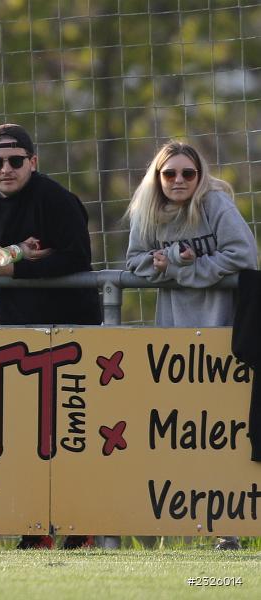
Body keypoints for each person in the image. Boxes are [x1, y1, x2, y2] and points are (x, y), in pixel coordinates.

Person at [0, 124, 100, 549]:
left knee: (73, 430)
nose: (6, 169)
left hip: (74, 330)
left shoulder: (56, 199)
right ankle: (34, 530)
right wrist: (17, 254)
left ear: (33, 163)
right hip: (17, 332)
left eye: (16, 161)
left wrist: (12, 267)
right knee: (22, 432)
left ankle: (80, 525)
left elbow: (78, 257)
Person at [126, 140, 257, 551]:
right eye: (170, 174)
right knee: (174, 432)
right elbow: (134, 262)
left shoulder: (215, 206)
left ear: (200, 177)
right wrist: (161, 265)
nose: (178, 181)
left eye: (188, 173)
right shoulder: (147, 210)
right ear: (158, 177)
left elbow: (244, 255)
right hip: (175, 338)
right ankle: (156, 523)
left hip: (222, 334)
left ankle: (228, 529)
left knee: (222, 433)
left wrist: (185, 268)